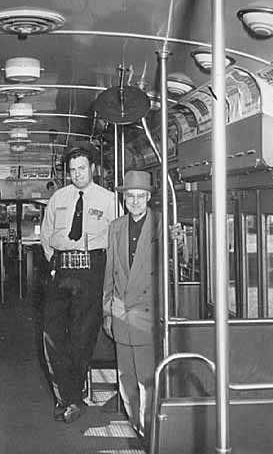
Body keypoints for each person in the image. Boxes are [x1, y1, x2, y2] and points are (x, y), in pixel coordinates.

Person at [40, 142, 117, 423]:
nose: (77, 174)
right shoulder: (58, 198)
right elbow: (47, 236)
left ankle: (71, 397)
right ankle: (67, 396)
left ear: (93, 168)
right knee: (52, 334)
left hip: (92, 270)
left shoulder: (108, 200)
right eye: (72, 170)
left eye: (82, 168)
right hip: (61, 270)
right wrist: (54, 264)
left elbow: (117, 238)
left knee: (82, 337)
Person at [102, 170, 161, 443]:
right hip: (120, 313)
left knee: (147, 380)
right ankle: (137, 426)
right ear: (124, 198)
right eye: (130, 196)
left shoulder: (161, 225)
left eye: (140, 196)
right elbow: (110, 271)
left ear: (148, 198)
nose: (135, 201)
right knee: (126, 380)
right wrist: (106, 310)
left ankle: (150, 433)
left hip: (147, 315)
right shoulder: (115, 227)